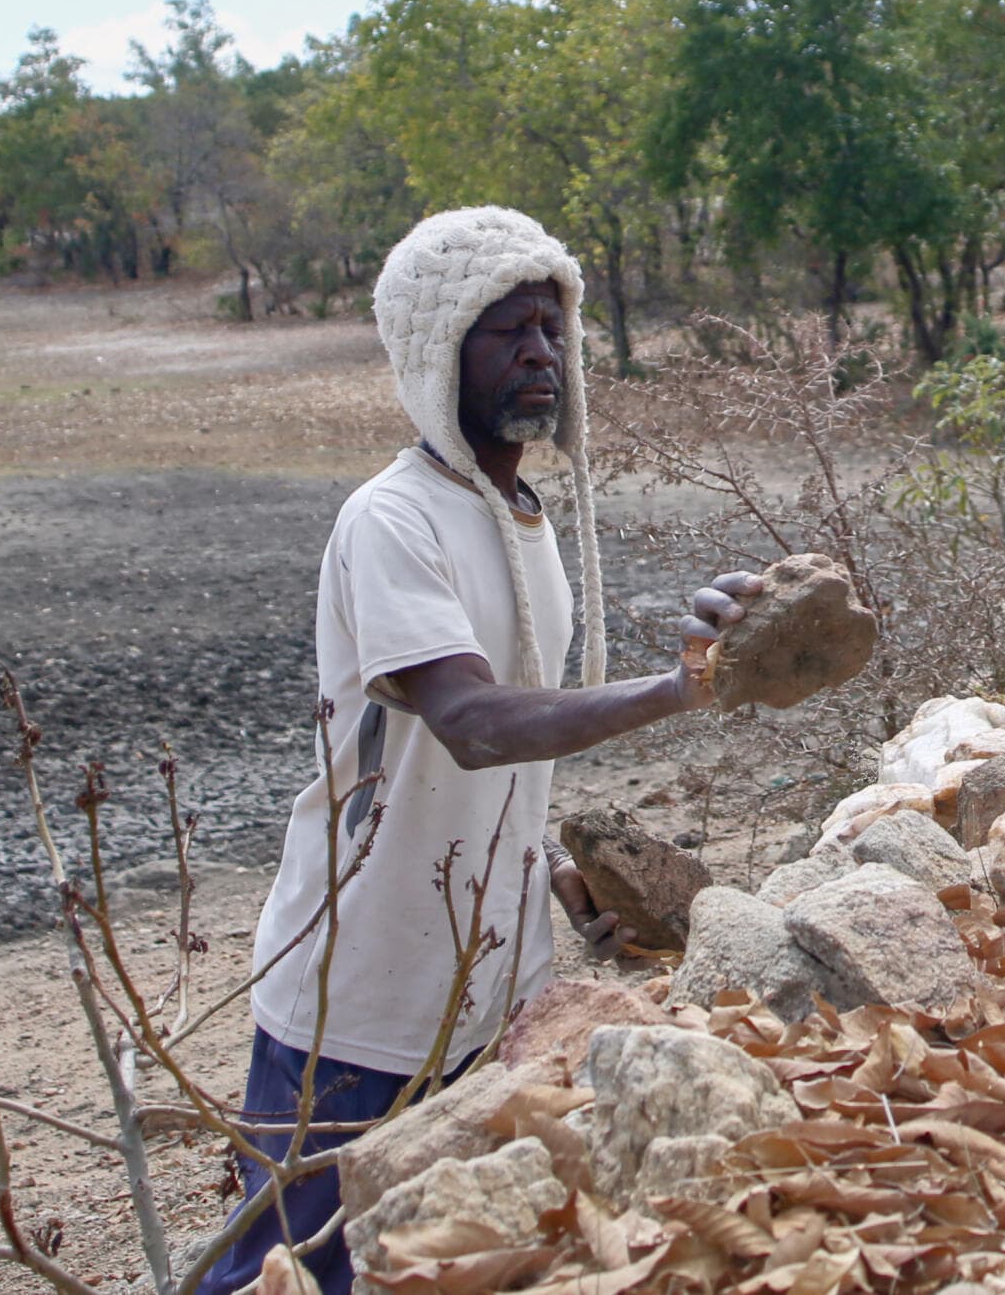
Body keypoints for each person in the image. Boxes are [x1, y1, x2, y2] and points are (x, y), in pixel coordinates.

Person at [200, 207, 757, 1295]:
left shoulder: (523, 516)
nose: (539, 354)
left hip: (487, 968)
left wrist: (548, 862)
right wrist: (673, 690)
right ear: (433, 352)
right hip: (356, 982)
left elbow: (507, 744)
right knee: (291, 1267)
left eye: (551, 328)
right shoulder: (389, 521)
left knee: (444, 1256)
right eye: (505, 331)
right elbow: (467, 723)